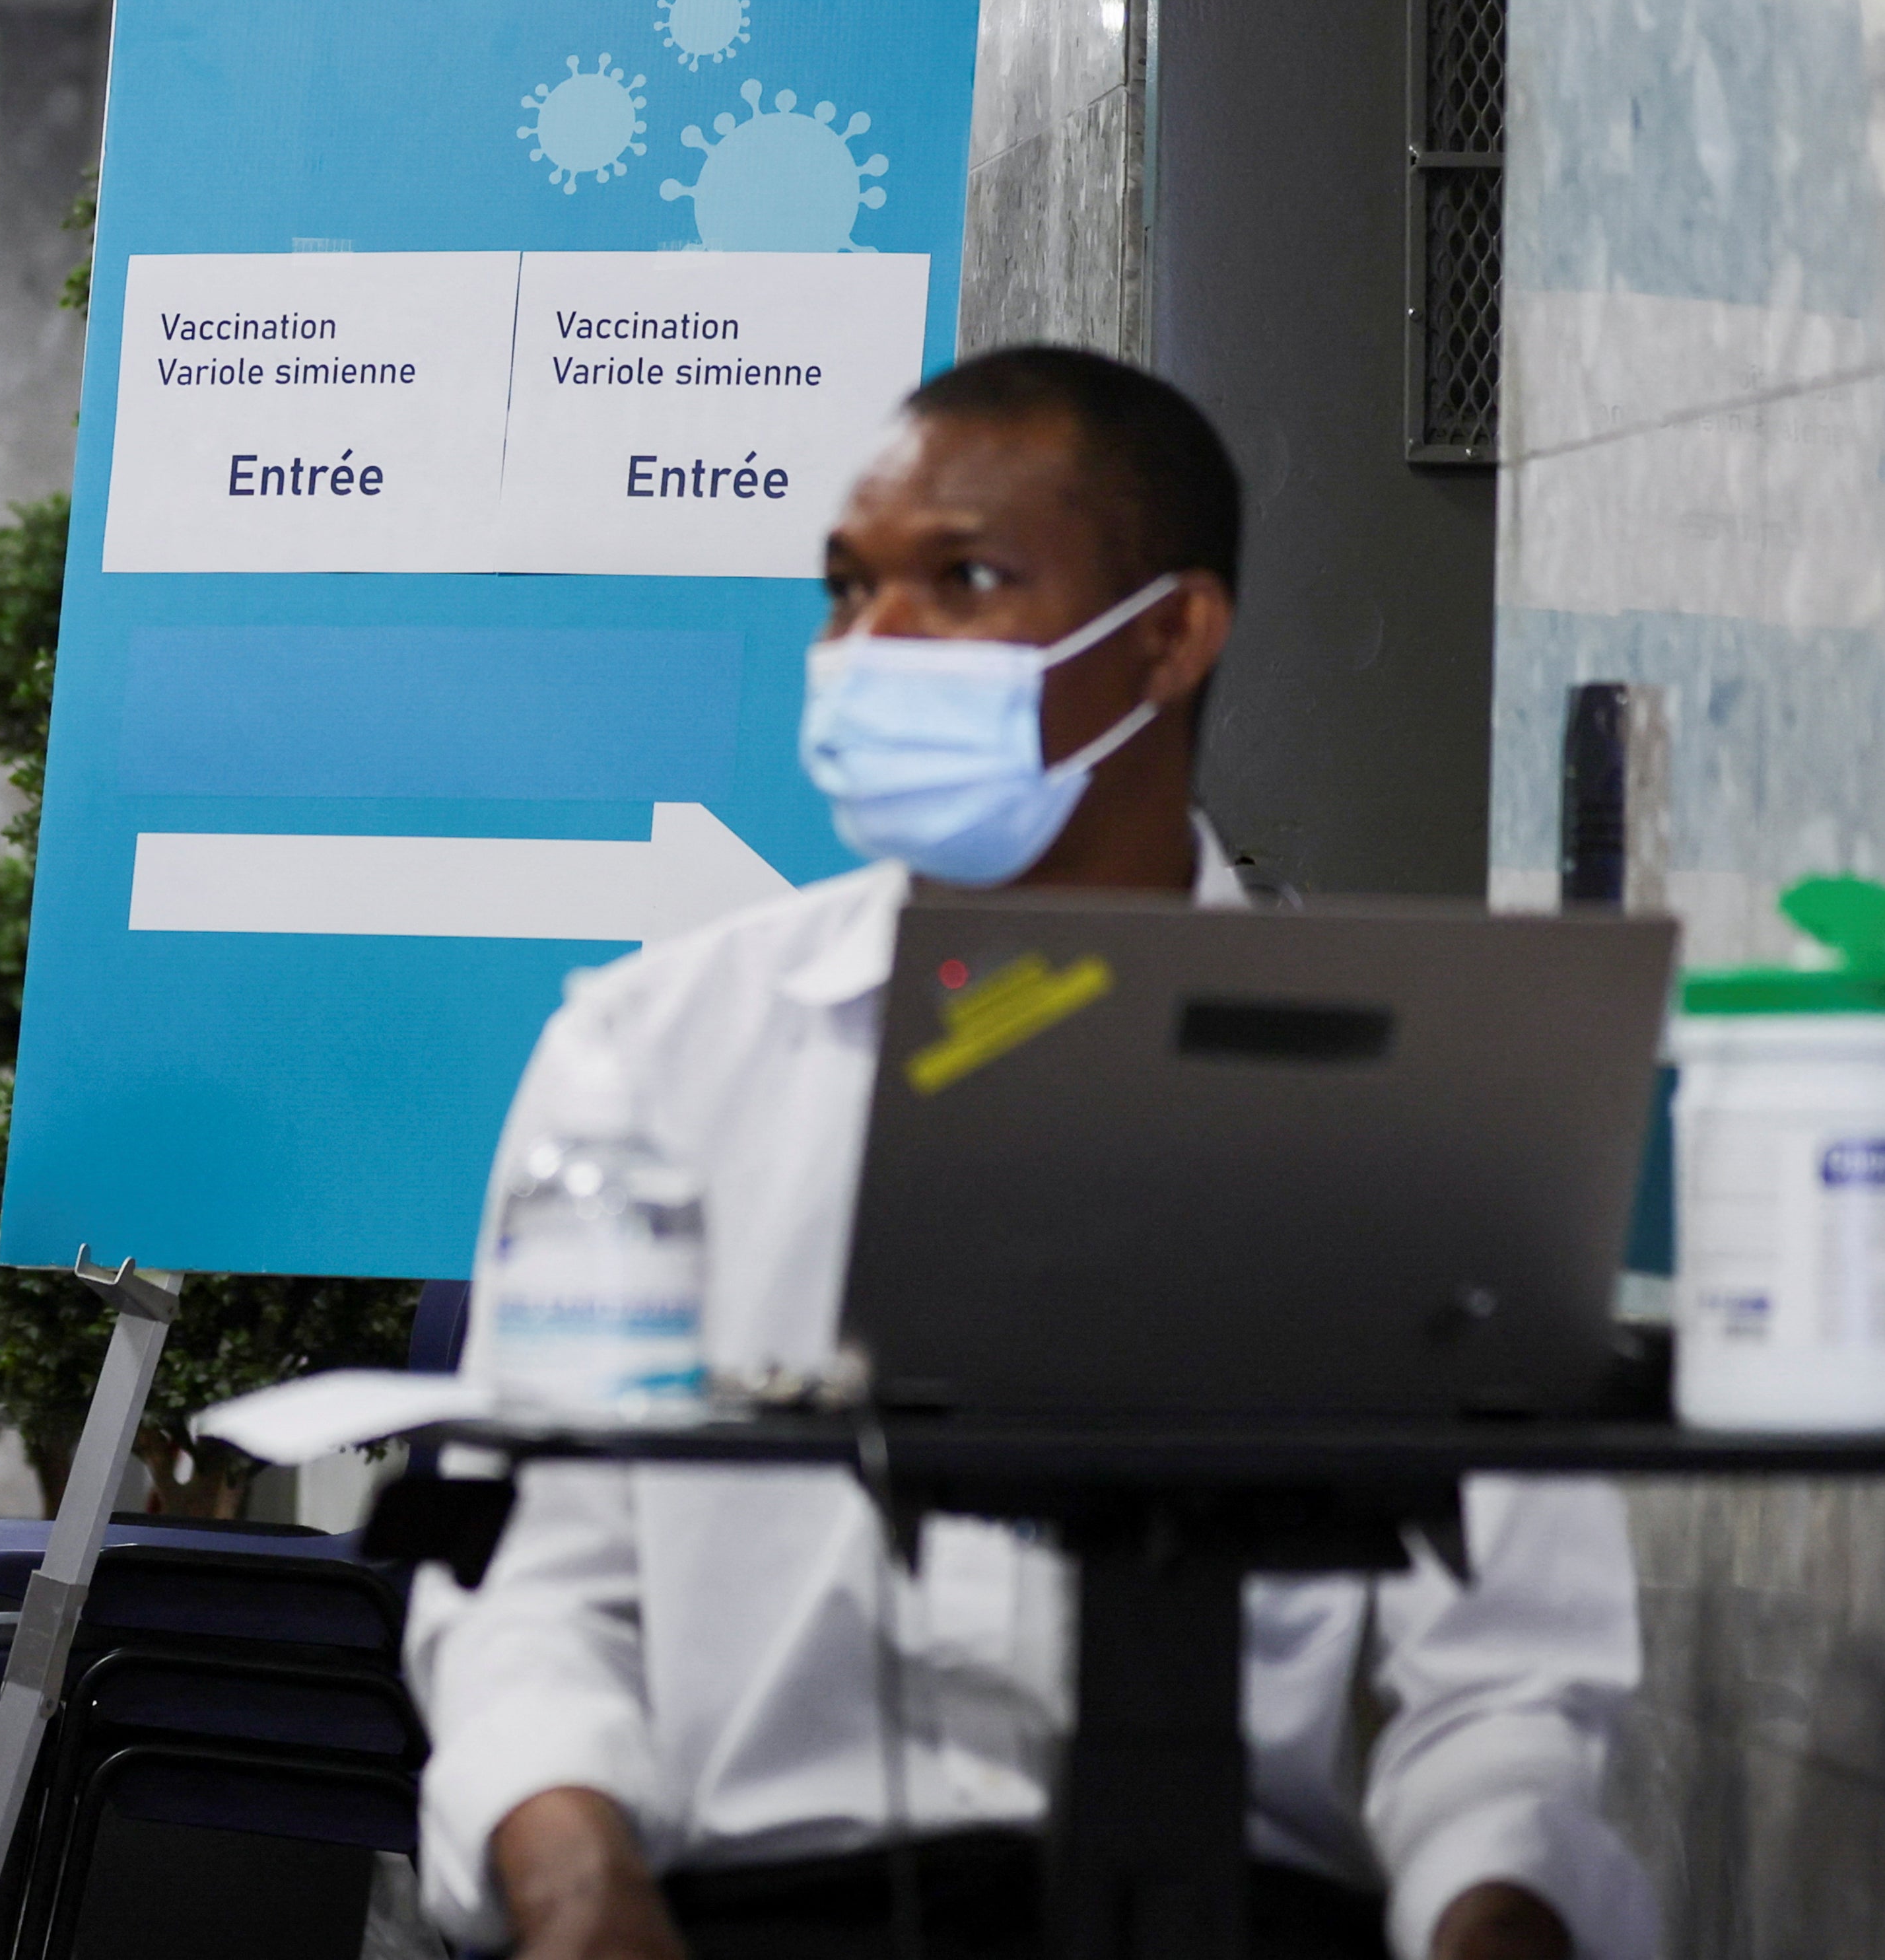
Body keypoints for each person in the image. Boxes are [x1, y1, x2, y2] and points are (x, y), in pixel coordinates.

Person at [413, 347, 1656, 1960]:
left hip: (1231, 1904)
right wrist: (580, 1889)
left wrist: (1497, 1912)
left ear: (1168, 637)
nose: (871, 646)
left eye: (962, 581)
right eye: (848, 588)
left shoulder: (1391, 1083)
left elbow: (1506, 1685)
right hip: (753, 1912)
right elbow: (533, 1587)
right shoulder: (655, 1051)